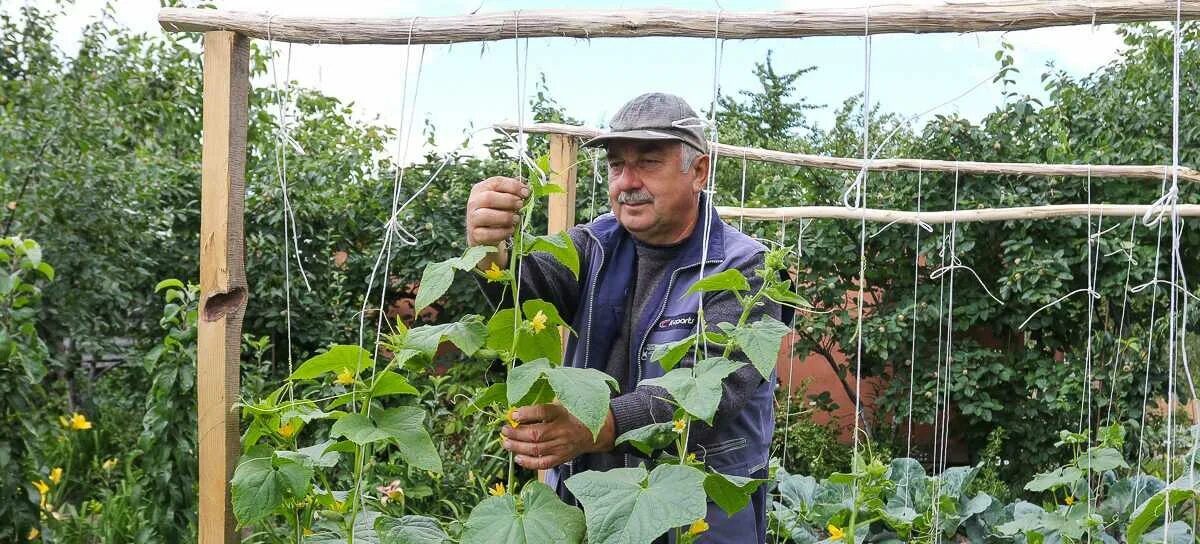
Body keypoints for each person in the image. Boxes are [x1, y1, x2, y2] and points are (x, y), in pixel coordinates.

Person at [465, 92, 779, 543]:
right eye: (616, 166)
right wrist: (488, 246)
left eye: (648, 163)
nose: (626, 182)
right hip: (594, 509)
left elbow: (711, 392)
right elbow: (520, 290)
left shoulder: (744, 268)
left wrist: (594, 424)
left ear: (699, 171)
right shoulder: (592, 244)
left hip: (696, 517)